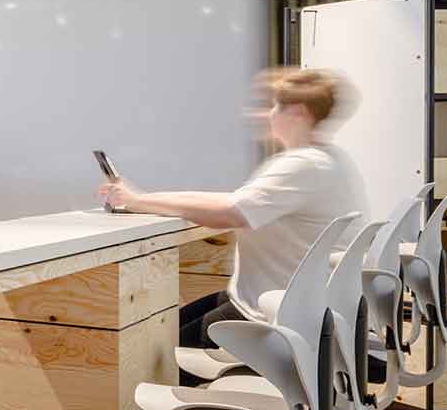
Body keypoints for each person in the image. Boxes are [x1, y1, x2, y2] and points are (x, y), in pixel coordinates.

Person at [96, 66, 368, 346]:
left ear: (298, 112)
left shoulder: (303, 165)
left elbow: (231, 212)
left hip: (274, 316)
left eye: (273, 105)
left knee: (157, 351)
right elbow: (233, 200)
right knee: (167, 330)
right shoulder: (329, 160)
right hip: (286, 304)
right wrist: (140, 198)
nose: (265, 114)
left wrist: (138, 200)